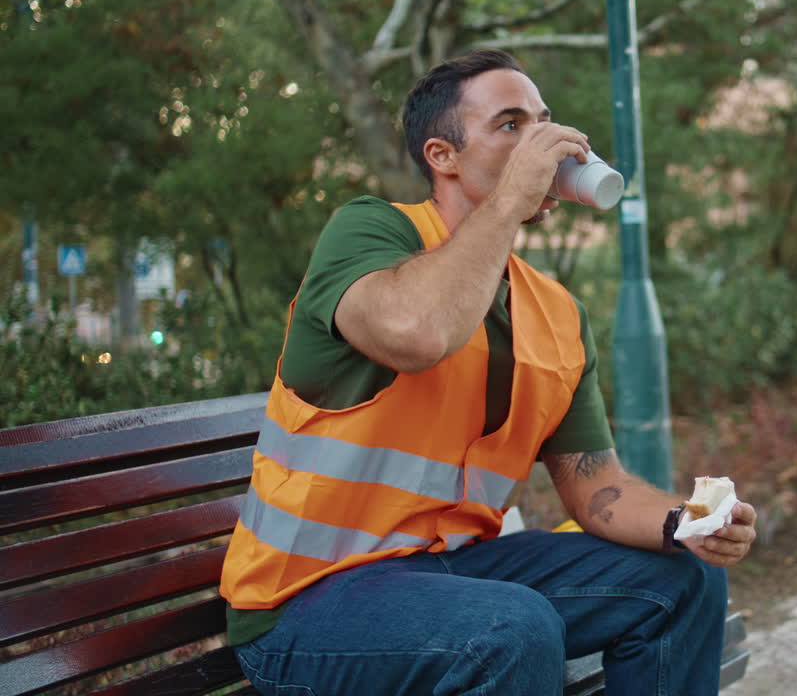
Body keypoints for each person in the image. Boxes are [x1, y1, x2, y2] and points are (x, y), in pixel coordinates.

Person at [219, 49, 757, 696]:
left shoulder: (557, 314)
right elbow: (418, 333)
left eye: (543, 121)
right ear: (442, 157)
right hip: (306, 601)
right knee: (510, 627)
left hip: (454, 575)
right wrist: (507, 203)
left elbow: (599, 490)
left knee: (684, 578)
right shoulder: (370, 234)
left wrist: (691, 521)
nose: (541, 142)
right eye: (510, 125)